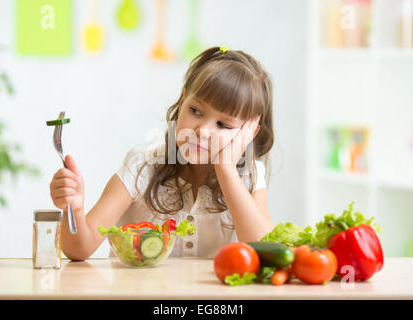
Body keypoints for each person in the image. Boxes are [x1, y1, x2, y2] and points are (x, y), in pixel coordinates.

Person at [50, 46, 275, 261]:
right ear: (182, 99)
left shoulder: (250, 176)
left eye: (223, 125)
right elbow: (79, 248)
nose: (203, 131)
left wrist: (226, 169)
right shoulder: (142, 166)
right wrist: (75, 208)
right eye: (195, 111)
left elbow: (265, 252)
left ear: (248, 132)